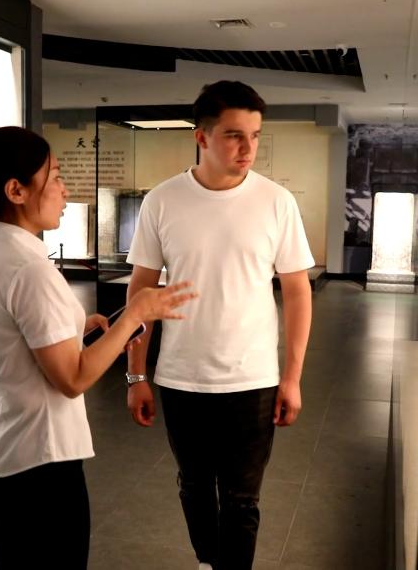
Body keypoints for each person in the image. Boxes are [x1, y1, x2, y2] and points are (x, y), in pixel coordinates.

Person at [0, 126, 197, 569]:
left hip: (7, 450)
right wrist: (135, 314)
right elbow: (73, 378)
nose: (65, 189)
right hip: (40, 465)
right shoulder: (29, 270)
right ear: (16, 190)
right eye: (56, 176)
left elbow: (16, 337)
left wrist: (79, 327)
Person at [125, 81, 314, 570]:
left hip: (252, 379)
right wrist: (136, 374)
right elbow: (140, 292)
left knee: (242, 499)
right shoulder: (163, 201)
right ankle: (208, 562)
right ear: (201, 136)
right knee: (193, 486)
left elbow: (297, 291)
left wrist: (292, 377)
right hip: (181, 377)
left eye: (254, 135)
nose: (248, 147)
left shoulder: (276, 202)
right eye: (234, 135)